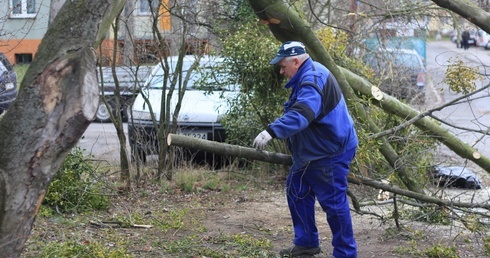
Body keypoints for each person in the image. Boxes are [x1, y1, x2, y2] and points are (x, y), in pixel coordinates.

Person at [252, 41, 358, 258]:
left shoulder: (312, 80)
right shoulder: (306, 75)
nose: (281, 71)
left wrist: (271, 131)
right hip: (311, 153)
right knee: (296, 189)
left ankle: (346, 253)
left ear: (296, 62)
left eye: (283, 66)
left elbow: (302, 114)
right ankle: (307, 243)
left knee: (334, 205)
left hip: (329, 152)